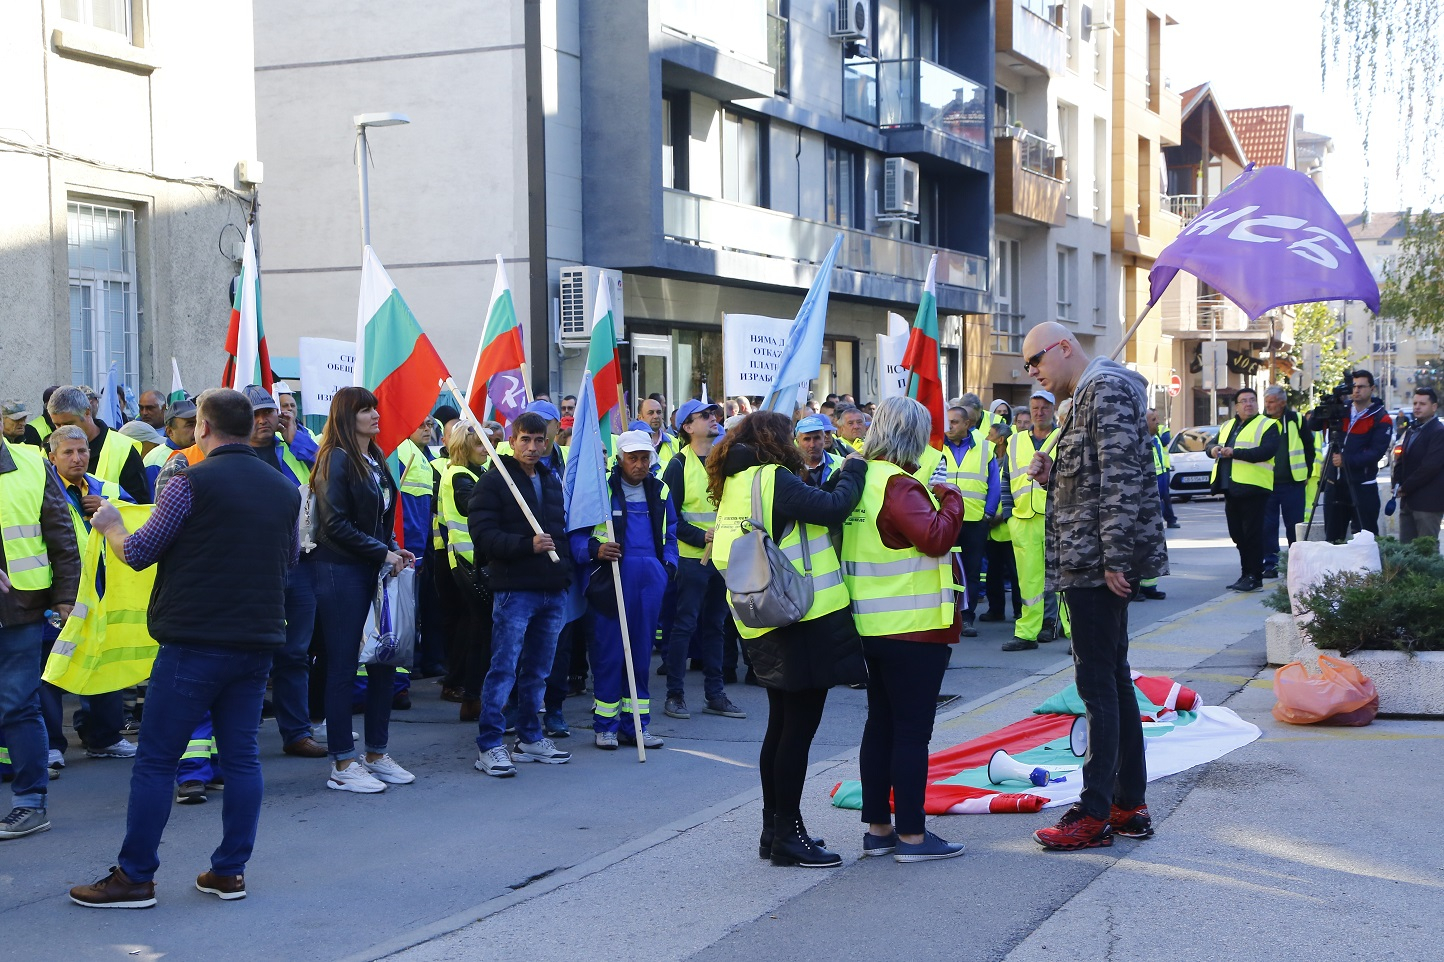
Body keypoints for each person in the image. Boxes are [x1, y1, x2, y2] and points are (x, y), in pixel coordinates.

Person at [67, 388, 299, 905]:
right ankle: (229, 871)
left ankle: (135, 877)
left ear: (203, 428)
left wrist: (109, 527)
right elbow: (289, 565)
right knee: (242, 759)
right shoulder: (285, 490)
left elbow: (141, 552)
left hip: (194, 640)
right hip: (257, 639)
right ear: (248, 428)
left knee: (155, 761)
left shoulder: (188, 482)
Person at [1022, 321, 1167, 851]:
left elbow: (1122, 478)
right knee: (1114, 680)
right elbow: (1092, 471)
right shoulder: (1087, 394)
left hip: (1093, 563)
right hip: (1087, 558)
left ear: (1063, 348)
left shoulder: (1102, 389)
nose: (1032, 373)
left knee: (1097, 688)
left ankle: (1096, 811)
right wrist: (1050, 469)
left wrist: (1115, 558)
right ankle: (1128, 803)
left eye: (1034, 360)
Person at [708, 412, 866, 868]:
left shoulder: (737, 481)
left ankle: (773, 830)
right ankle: (789, 836)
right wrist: (853, 467)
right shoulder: (771, 477)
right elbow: (834, 506)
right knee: (795, 732)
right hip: (800, 619)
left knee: (780, 727)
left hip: (763, 618)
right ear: (777, 441)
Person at [843, 397, 967, 863]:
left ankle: (878, 830)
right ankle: (913, 836)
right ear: (912, 436)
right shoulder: (899, 484)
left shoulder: (860, 478)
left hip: (870, 624)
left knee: (881, 726)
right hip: (913, 629)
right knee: (912, 733)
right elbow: (936, 538)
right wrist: (951, 498)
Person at [310, 387, 416, 794]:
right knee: (341, 666)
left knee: (384, 660)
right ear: (345, 416)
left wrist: (391, 548)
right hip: (339, 571)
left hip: (371, 569)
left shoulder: (375, 457)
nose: (375, 414)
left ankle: (376, 753)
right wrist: (381, 553)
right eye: (364, 410)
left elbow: (379, 517)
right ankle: (342, 761)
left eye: (374, 408)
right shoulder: (334, 459)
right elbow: (333, 525)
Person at [469, 411, 574, 777]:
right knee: (503, 668)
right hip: (515, 589)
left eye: (539, 440)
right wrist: (525, 544)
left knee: (539, 670)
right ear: (512, 441)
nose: (532, 446)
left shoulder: (550, 478)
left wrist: (564, 574)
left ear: (547, 443)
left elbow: (559, 532)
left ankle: (530, 737)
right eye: (525, 439)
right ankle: (490, 745)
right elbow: (483, 537)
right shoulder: (495, 482)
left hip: (551, 588)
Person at [573, 431, 677, 750]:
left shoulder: (660, 490)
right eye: (633, 458)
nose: (639, 464)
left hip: (649, 582)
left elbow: (670, 533)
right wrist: (595, 550)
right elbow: (576, 534)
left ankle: (636, 727)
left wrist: (668, 568)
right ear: (620, 459)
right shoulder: (600, 490)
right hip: (610, 580)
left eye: (645, 458)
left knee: (641, 656)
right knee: (609, 655)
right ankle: (605, 726)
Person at [0, 430, 80, 840]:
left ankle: (30, 803)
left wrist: (67, 596)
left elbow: (61, 535)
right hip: (20, 613)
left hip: (19, 613)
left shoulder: (31, 463)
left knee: (18, 706)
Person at [43, 425, 137, 763]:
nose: (77, 458)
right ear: (51, 457)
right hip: (59, 593)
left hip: (103, 590)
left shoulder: (106, 488)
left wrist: (112, 506)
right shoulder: (42, 488)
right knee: (51, 669)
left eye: (82, 451)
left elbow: (142, 521)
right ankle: (51, 745)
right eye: (67, 452)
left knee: (103, 661)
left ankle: (104, 737)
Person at [659, 399, 743, 721]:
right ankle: (675, 695)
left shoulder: (724, 462)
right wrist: (700, 536)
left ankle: (715, 695)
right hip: (692, 560)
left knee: (716, 626)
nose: (712, 418)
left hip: (722, 558)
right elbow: (670, 518)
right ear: (687, 426)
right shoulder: (678, 465)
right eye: (704, 416)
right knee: (685, 625)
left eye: (713, 414)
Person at [437, 421, 498, 722]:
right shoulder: (459, 475)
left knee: (479, 631)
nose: (486, 449)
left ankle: (472, 694)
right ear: (464, 446)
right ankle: (472, 695)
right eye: (479, 445)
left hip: (476, 563)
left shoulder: (475, 473)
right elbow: (478, 505)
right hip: (469, 564)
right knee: (481, 631)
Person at [1004, 391, 1067, 651]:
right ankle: (1027, 634)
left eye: (1044, 407)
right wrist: (1009, 515)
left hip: (1056, 517)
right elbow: (1006, 478)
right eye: (1034, 408)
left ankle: (1076, 635)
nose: (1039, 412)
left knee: (1065, 580)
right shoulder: (1015, 440)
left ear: (1053, 409)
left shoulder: (1063, 436)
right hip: (1023, 519)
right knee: (1028, 582)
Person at [1208, 389, 1280, 593]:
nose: (1249, 404)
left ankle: (1255, 576)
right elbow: (1211, 444)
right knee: (1238, 535)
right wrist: (1212, 449)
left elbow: (1266, 451)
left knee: (1252, 535)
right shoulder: (1228, 425)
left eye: (1252, 400)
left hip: (1254, 488)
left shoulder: (1268, 424)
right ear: (1236, 406)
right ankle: (1245, 573)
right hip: (1231, 488)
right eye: (1244, 401)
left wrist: (1235, 453)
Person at [939, 405, 1000, 637]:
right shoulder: (936, 447)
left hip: (974, 520)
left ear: (967, 424)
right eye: (948, 422)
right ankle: (948, 616)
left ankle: (967, 617)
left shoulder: (986, 449)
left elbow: (994, 483)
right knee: (945, 570)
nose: (950, 426)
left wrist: (988, 513)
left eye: (955, 422)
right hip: (944, 520)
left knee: (971, 572)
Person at [1315, 370, 1392, 542]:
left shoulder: (1381, 417)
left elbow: (1375, 453)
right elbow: (1313, 424)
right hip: (1335, 484)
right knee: (1333, 538)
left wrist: (1346, 461)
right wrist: (1328, 403)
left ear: (1372, 388)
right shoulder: (1341, 410)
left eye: (1361, 386)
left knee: (1365, 539)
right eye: (1354, 386)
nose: (1356, 390)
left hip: (1362, 485)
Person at [47, 385, 150, 505]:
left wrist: (108, 507)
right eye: (57, 425)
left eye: (69, 423)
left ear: (87, 412)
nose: (63, 430)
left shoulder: (123, 448)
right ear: (52, 457)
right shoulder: (48, 449)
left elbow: (142, 508)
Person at [1260, 386, 1313, 576]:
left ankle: (1296, 563)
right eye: (1266, 401)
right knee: (1268, 526)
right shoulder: (1261, 422)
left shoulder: (1296, 419)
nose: (1268, 405)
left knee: (1294, 525)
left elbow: (1309, 448)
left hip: (1293, 483)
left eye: (1272, 401)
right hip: (1266, 483)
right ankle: (1270, 564)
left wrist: (1307, 472)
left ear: (1282, 402)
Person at [1392, 387, 1444, 542]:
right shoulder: (1412, 429)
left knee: (1426, 552)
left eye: (1422, 403)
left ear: (1434, 407)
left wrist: (1405, 487)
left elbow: (1430, 467)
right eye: (1415, 403)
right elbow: (1402, 459)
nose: (1417, 407)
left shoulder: (1438, 431)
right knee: (1406, 552)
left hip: (1428, 504)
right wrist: (1397, 483)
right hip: (1408, 501)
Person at [1147, 409, 1181, 531]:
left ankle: (1169, 520)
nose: (1157, 422)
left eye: (1157, 418)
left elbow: (1166, 440)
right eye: (1153, 419)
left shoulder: (1158, 435)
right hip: (1155, 474)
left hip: (1163, 470)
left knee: (1164, 496)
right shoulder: (1143, 439)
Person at [795, 414, 842, 488]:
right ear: (798, 441)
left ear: (824, 439)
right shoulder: (788, 468)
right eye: (807, 439)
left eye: (817, 438)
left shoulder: (841, 464)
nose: (812, 445)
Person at [638, 397, 680, 467]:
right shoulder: (632, 442)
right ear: (640, 418)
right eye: (650, 413)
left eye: (659, 412)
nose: (656, 416)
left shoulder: (674, 442)